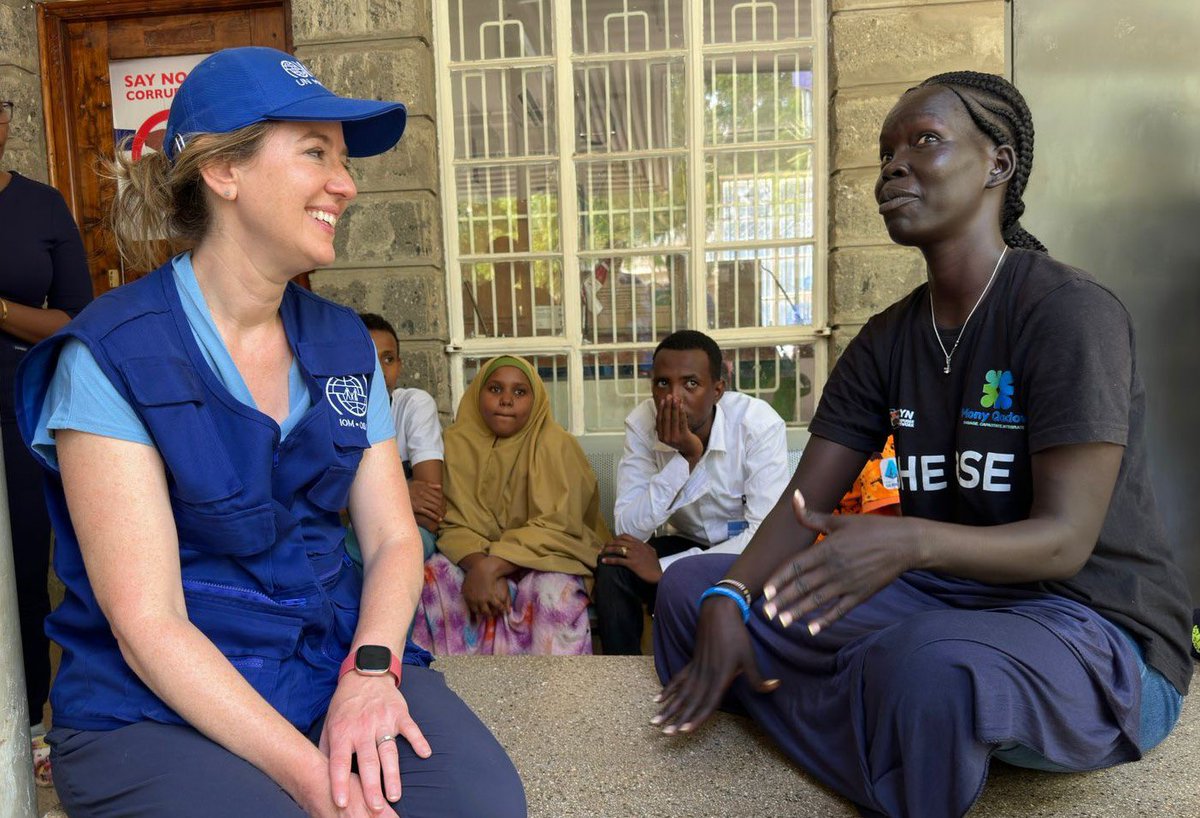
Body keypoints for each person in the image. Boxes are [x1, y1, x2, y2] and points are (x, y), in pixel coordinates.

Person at [652, 71, 1192, 818]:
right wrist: (731, 594)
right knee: (687, 593)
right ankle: (896, 728)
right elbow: (803, 503)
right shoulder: (888, 338)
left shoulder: (1068, 312)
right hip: (943, 600)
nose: (893, 167)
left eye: (924, 141)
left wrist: (908, 543)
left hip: (1089, 626)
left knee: (927, 669)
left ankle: (881, 714)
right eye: (886, 153)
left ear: (998, 164)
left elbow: (1065, 542)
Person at [14, 47, 524, 818]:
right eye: (316, 153)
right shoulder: (111, 354)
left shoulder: (343, 342)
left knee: (479, 805)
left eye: (343, 160)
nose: (346, 184)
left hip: (325, 662)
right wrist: (313, 778)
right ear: (225, 171)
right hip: (153, 704)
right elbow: (149, 625)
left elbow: (393, 539)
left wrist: (371, 672)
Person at [593, 330, 789, 655]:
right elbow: (629, 527)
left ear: (718, 390)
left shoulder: (758, 425)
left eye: (691, 384)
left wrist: (667, 568)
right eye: (662, 383)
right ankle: (623, 674)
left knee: (768, 576)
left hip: (746, 552)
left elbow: (764, 535)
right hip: (689, 539)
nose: (673, 398)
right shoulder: (643, 423)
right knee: (615, 561)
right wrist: (685, 459)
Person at [0, 96, 93, 754]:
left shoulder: (41, 206)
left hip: (17, 404)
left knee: (25, 565)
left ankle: (28, 718)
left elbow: (73, 319)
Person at [412, 355, 608, 655]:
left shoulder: (557, 445)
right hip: (473, 555)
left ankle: (555, 686)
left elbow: (558, 526)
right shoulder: (454, 443)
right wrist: (479, 566)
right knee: (434, 576)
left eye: (519, 392)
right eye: (495, 389)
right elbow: (450, 521)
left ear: (536, 399)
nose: (506, 400)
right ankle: (449, 682)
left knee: (553, 592)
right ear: (477, 394)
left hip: (550, 557)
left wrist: (493, 566)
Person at [350, 312, 443, 562]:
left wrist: (353, 503)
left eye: (388, 359)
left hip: (408, 532)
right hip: (351, 533)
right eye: (367, 357)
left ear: (399, 366)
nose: (379, 370)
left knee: (389, 553)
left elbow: (429, 515)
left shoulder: (414, 405)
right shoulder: (332, 413)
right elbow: (325, 509)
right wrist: (402, 494)